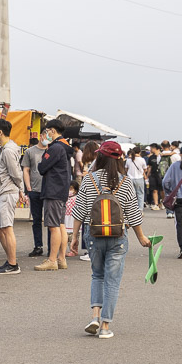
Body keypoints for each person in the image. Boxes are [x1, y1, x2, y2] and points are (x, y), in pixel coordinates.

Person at [71, 141, 150, 340]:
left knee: (97, 275)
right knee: (112, 282)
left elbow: (79, 210)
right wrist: (141, 237)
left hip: (93, 236)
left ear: (100, 157)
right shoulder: (125, 182)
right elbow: (133, 213)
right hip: (118, 238)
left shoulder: (89, 179)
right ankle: (105, 327)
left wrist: (74, 237)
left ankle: (95, 317)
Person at [35, 119, 72, 271]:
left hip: (53, 190)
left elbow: (42, 167)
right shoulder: (66, 146)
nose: (46, 134)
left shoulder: (56, 148)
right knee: (60, 225)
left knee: (53, 226)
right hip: (61, 190)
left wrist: (44, 154)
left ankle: (52, 260)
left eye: (47, 131)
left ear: (53, 131)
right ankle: (61, 258)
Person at [0, 119, 23, 274]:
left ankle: (13, 264)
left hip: (7, 192)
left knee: (7, 228)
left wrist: (21, 189)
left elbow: (15, 173)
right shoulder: (6, 148)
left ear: (0, 132)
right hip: (2, 192)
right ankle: (10, 259)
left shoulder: (8, 150)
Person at [21, 135, 47, 256]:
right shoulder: (30, 151)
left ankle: (52, 248)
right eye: (46, 135)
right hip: (34, 190)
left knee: (51, 221)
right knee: (36, 220)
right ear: (41, 136)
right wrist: (28, 187)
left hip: (49, 191)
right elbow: (26, 169)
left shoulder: (52, 150)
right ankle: (38, 246)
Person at [126, 146, 148, 213]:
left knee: (131, 195)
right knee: (140, 194)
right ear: (139, 152)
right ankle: (140, 210)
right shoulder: (142, 160)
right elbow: (145, 169)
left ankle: (132, 209)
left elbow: (126, 169)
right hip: (139, 178)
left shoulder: (128, 160)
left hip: (130, 178)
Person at [146, 143, 164, 211]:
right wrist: (147, 176)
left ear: (157, 149)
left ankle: (163, 201)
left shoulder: (163, 156)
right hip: (153, 175)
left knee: (162, 190)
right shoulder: (151, 157)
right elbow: (149, 167)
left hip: (161, 175)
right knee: (154, 190)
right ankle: (156, 204)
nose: (151, 149)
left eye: (152, 148)